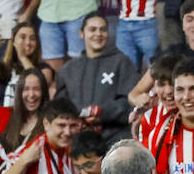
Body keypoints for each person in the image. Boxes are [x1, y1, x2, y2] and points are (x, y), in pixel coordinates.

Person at [56, 14, 140, 145]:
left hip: (115, 139)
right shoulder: (68, 69)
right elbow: (59, 107)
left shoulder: (122, 62)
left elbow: (130, 104)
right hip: (77, 141)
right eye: (92, 29)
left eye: (103, 29)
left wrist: (100, 113)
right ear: (81, 33)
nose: (98, 34)